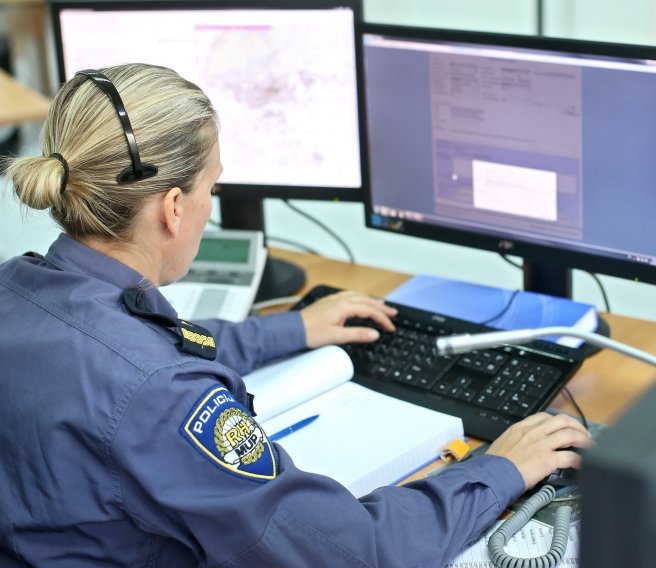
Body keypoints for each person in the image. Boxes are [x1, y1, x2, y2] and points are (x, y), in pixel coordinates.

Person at [0, 63, 592, 567]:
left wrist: (294, 328)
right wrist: (501, 469)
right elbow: (352, 552)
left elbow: (133, 353)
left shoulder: (17, 287)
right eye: (212, 188)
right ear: (174, 207)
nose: (210, 206)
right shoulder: (161, 397)